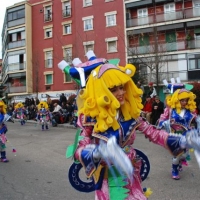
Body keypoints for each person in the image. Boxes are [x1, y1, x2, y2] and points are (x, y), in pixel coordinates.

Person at [59, 51, 200, 199]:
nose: (121, 92)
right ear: (101, 91)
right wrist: (96, 153)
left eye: (122, 87)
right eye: (113, 89)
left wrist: (182, 141)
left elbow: (154, 132)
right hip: (108, 180)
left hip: (131, 174)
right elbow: (79, 148)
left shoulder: (130, 114)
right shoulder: (90, 118)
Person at [158, 80, 199, 180]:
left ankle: (180, 162)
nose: (184, 102)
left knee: (184, 155)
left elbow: (196, 120)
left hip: (187, 135)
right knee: (177, 155)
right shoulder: (170, 109)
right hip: (174, 136)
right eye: (182, 100)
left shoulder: (190, 111)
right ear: (177, 99)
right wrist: (163, 123)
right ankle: (174, 169)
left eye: (186, 100)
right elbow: (162, 119)